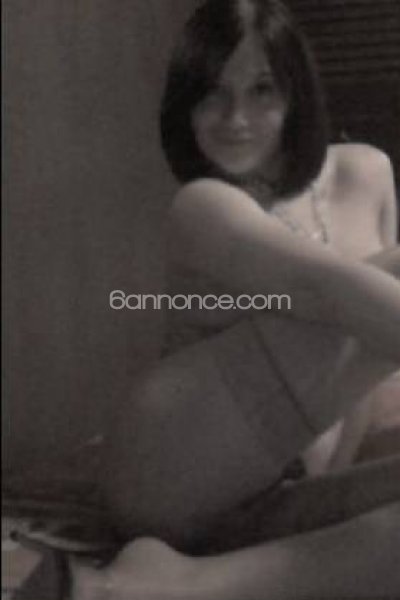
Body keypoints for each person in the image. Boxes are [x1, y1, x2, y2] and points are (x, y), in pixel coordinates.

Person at [66, 0, 400, 597]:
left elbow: (373, 382)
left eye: (261, 90)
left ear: (296, 94)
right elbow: (328, 293)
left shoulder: (367, 173)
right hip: (174, 467)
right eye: (212, 94)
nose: (236, 118)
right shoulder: (202, 207)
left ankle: (178, 584)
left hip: (282, 486)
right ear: (186, 105)